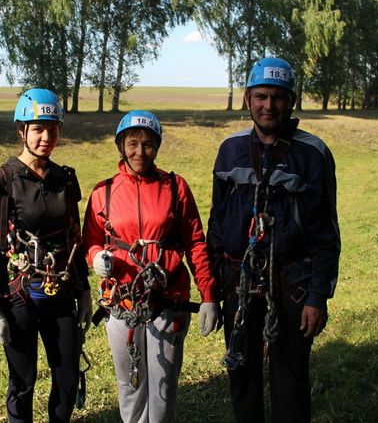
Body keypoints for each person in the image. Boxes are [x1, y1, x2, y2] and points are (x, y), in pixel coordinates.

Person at [207, 57, 341, 423]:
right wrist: (213, 288)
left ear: (292, 102)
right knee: (241, 379)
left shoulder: (311, 153)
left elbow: (326, 234)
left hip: (292, 286)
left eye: (278, 97)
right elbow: (217, 223)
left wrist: (317, 297)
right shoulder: (230, 149)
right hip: (238, 285)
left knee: (291, 383)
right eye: (261, 96)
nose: (269, 106)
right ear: (248, 99)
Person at [82, 110, 220, 423]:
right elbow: (90, 239)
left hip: (168, 300)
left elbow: (196, 243)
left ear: (156, 147)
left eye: (147, 144)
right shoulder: (103, 192)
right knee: (130, 384)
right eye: (132, 143)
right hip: (122, 301)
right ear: (121, 145)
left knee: (163, 387)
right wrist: (95, 257)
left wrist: (208, 295)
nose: (139, 151)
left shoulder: (175, 187)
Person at [0, 88, 91, 423]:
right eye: (38, 129)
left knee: (68, 379)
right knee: (23, 382)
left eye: (52, 129)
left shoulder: (64, 179)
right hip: (19, 297)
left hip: (60, 292)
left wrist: (83, 290)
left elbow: (74, 238)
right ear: (21, 131)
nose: (46, 137)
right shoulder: (0, 183)